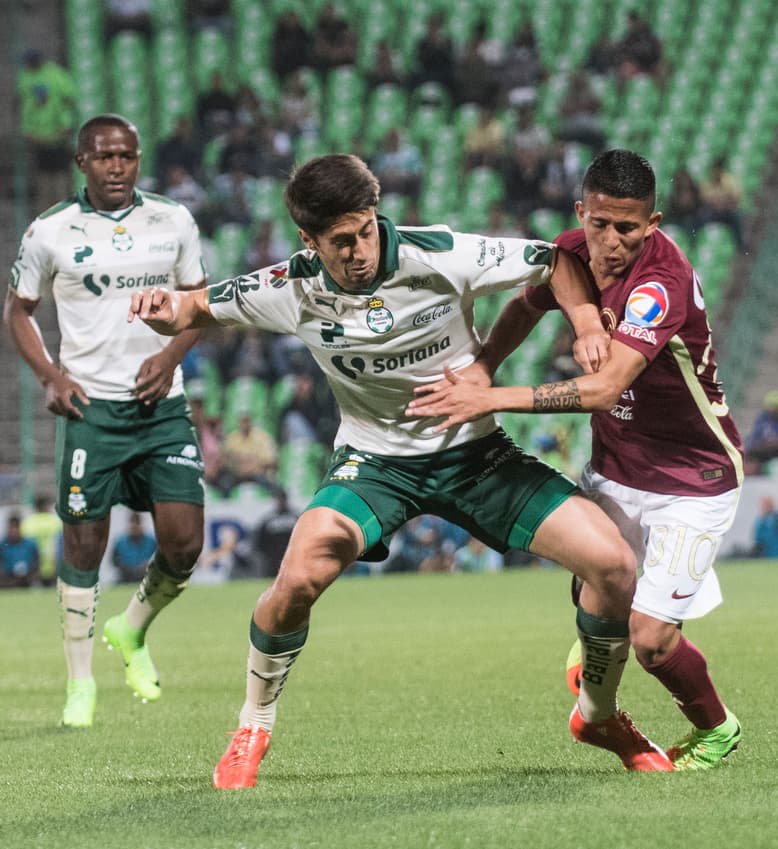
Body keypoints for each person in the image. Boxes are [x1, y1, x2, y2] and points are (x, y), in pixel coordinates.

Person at [128, 153, 670, 787]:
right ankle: (253, 724)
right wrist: (162, 306)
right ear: (309, 240)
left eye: (366, 230)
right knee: (297, 579)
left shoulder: (440, 253)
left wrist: (583, 323)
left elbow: (554, 260)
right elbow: (191, 308)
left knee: (613, 566)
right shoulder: (289, 287)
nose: (360, 250)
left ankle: (598, 715)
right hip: (375, 464)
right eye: (341, 241)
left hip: (475, 454)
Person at [408, 149, 744, 771]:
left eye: (628, 228)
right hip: (616, 468)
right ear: (580, 212)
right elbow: (524, 305)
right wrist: (485, 363)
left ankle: (717, 729)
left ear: (653, 223)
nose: (611, 242)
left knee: (651, 639)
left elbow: (606, 388)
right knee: (600, 581)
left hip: (691, 479)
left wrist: (491, 397)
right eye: (600, 224)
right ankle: (599, 683)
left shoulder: (661, 282)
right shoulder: (571, 253)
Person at [6, 114, 208, 728]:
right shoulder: (49, 231)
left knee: (185, 543)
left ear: (138, 159)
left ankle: (132, 627)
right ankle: (79, 683)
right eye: (104, 156)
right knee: (84, 545)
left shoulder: (173, 220)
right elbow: (18, 310)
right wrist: (51, 375)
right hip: (90, 408)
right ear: (82, 162)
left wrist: (169, 357)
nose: (116, 166)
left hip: (161, 405)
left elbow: (199, 302)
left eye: (126, 156)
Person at [17, 49, 79, 214]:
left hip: (58, 135)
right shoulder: (25, 77)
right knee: (43, 179)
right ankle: (46, 212)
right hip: (38, 137)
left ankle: (64, 210)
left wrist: (66, 123)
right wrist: (28, 129)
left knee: (60, 177)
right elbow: (25, 106)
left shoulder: (55, 74)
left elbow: (68, 99)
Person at [251, 491, 299, 578]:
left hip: (293, 556)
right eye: (279, 500)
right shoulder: (268, 520)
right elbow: (260, 540)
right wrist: (267, 555)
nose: (281, 502)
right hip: (273, 559)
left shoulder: (295, 517)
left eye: (282, 499)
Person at [22, 494, 62, 587]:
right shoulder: (55, 521)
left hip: (34, 565)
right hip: (53, 562)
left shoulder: (28, 522)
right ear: (46, 506)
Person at [110, 512, 158, 584]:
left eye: (137, 523)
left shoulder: (151, 541)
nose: (134, 526)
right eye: (132, 523)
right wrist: (126, 568)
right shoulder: (120, 542)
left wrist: (146, 566)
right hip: (126, 577)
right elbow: (114, 560)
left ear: (141, 524)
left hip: (146, 576)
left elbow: (158, 559)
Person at [1, 513, 40, 588]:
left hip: (27, 579)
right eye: (12, 527)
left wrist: (32, 575)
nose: (14, 530)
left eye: (16, 527)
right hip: (8, 580)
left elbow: (37, 562)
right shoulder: (3, 545)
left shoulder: (30, 544)